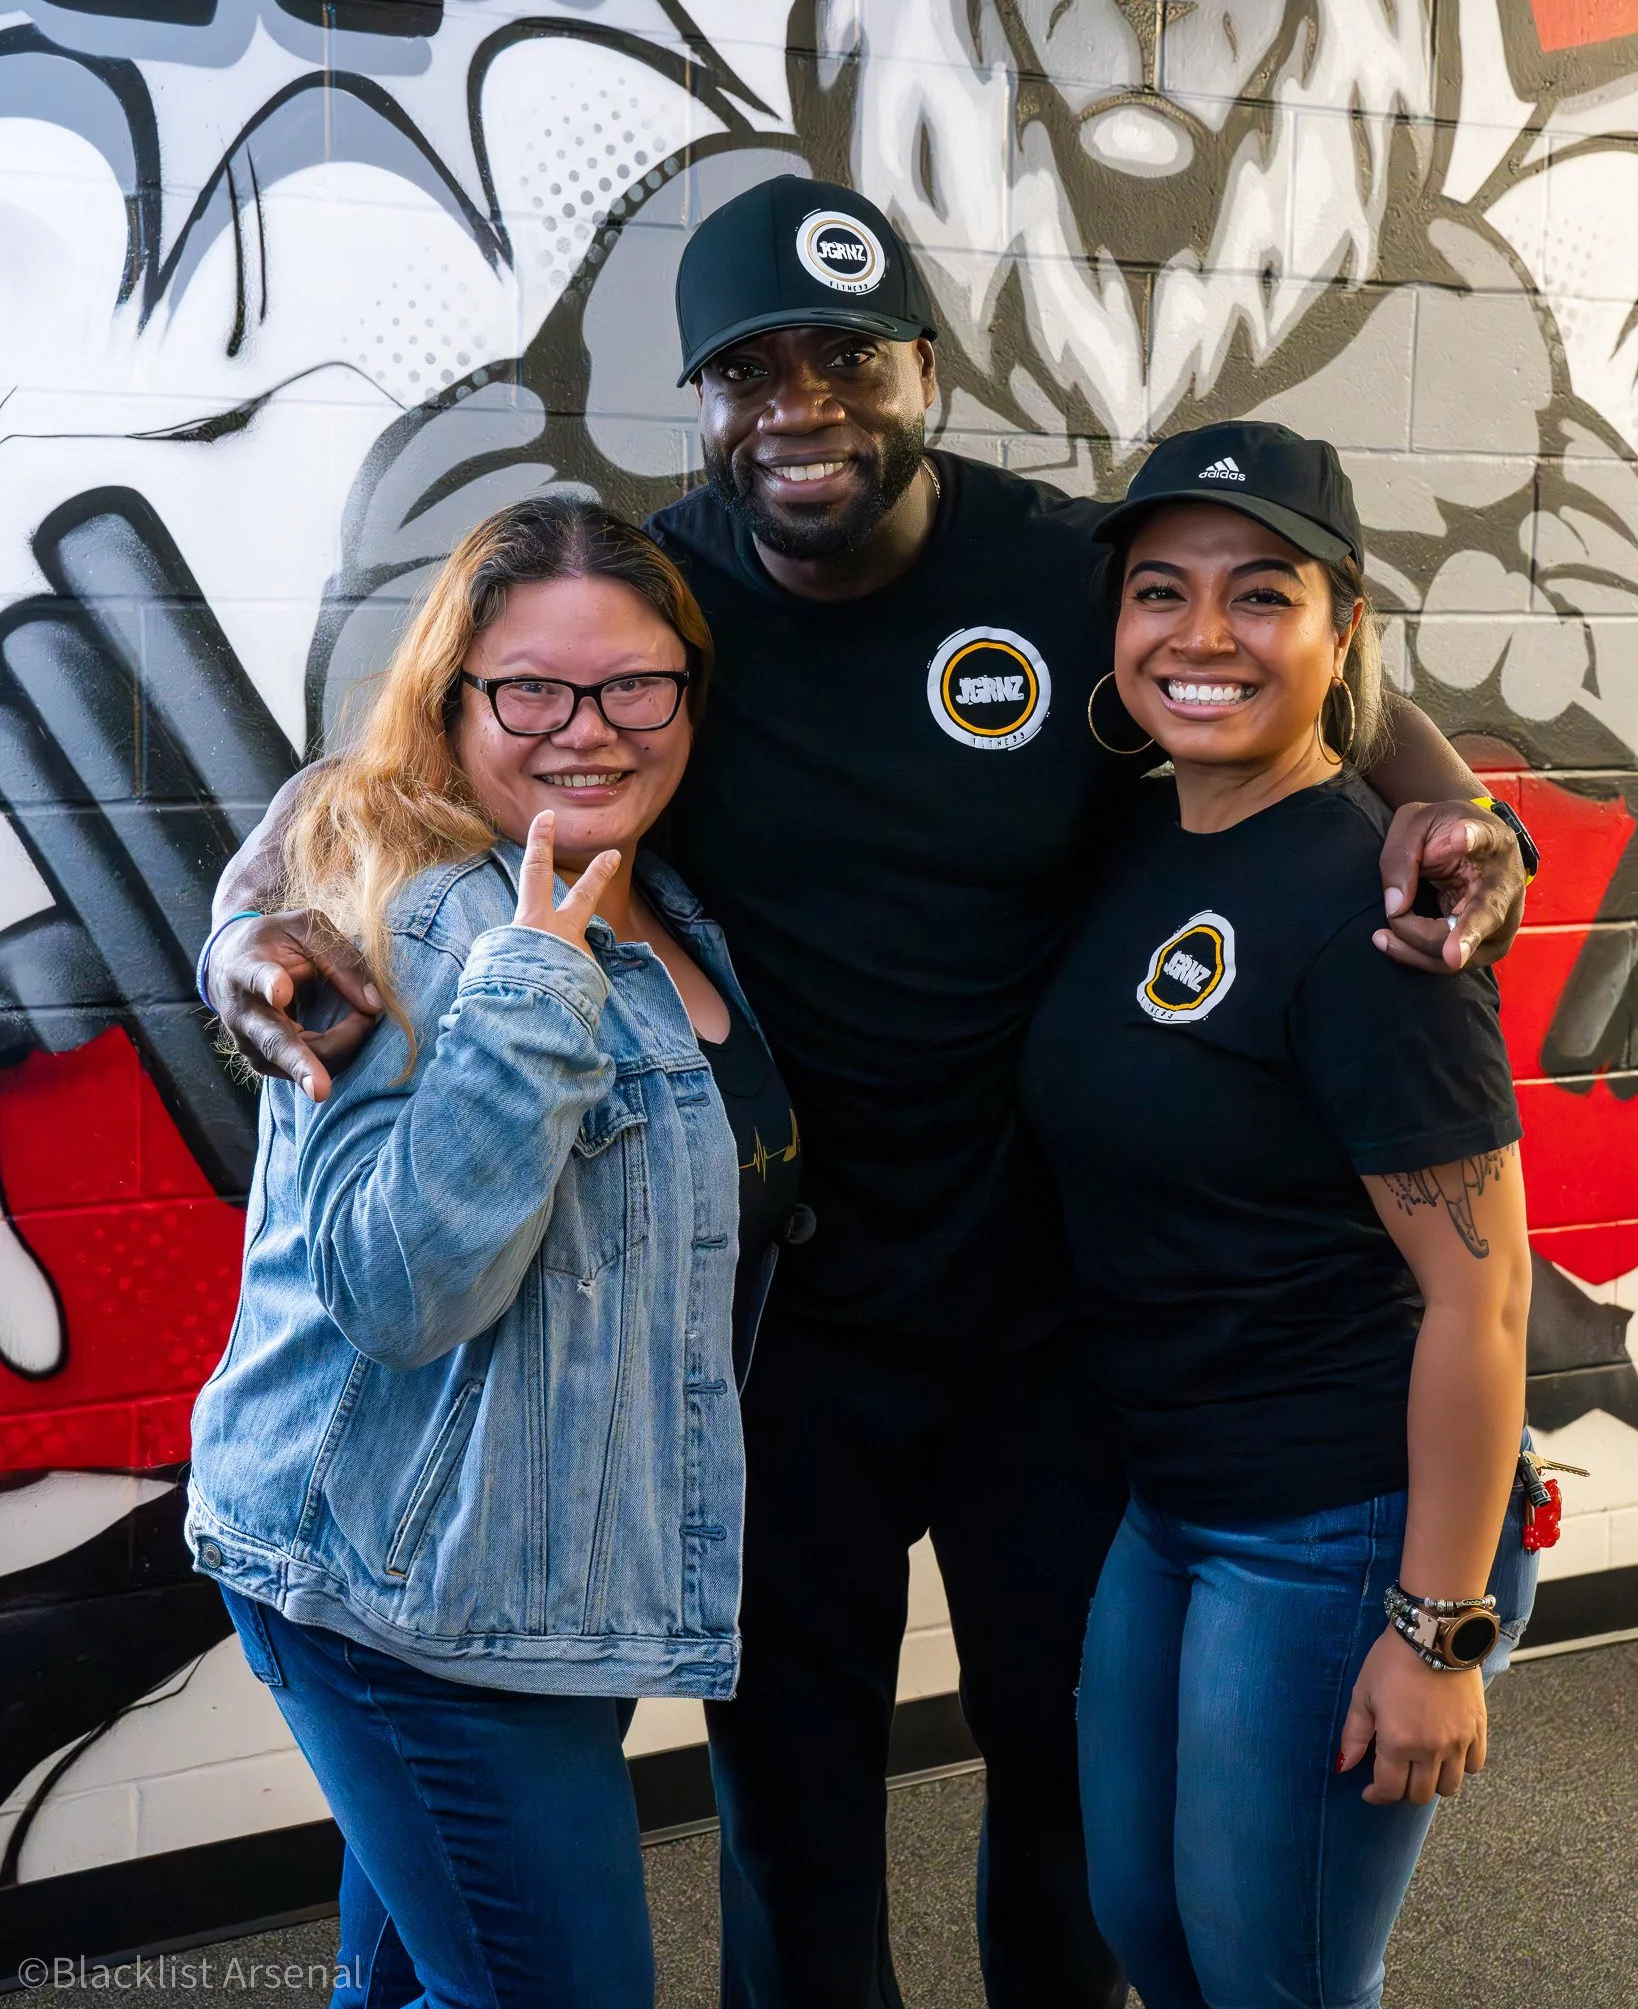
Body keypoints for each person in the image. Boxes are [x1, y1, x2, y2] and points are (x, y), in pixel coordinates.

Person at [201, 180, 1535, 2009]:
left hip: (1037, 1336)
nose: (803, 403)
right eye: (752, 367)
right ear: (705, 402)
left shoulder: (1067, 570)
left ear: (926, 371)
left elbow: (1293, 658)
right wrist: (242, 935)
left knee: (1063, 1815)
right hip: (774, 1347)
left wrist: (1475, 820)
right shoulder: (657, 601)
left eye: (850, 358)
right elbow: (372, 776)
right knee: (795, 1820)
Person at [186, 496, 799, 2007]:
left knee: (410, 1984)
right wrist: (532, 986)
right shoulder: (405, 911)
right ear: (452, 697)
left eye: (634, 684)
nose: (586, 726)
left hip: (531, 1575)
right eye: (529, 686)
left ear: (688, 696)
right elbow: (401, 1297)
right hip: (407, 1600)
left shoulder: (663, 890)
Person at [1019, 422, 1538, 2009]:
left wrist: (1438, 1627)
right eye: (1159, 592)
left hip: (1346, 1525)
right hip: (1172, 1506)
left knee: (1278, 1979)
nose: (1200, 635)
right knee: (1147, 1931)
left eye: (1261, 596)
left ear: (1341, 630)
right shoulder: (1134, 832)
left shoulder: (1371, 917)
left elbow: (1484, 1298)